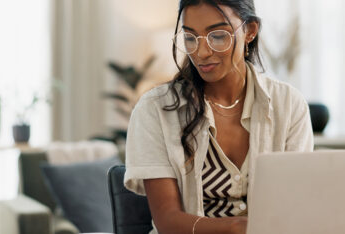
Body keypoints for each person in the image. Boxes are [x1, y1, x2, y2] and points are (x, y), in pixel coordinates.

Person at [124, 0, 313, 233]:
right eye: (191, 38)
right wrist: (234, 227)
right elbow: (167, 221)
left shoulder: (289, 104)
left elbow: (294, 206)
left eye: (218, 36)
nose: (201, 52)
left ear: (250, 31)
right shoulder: (154, 109)